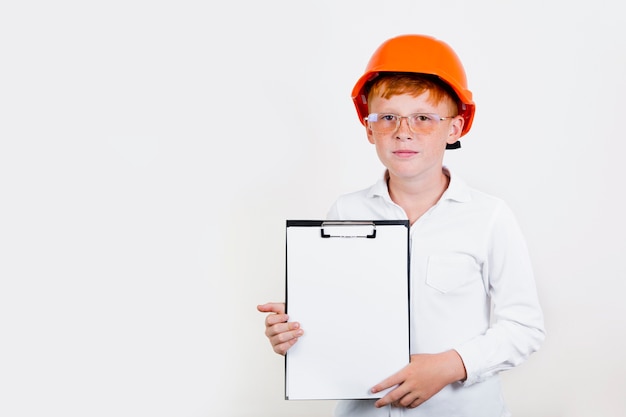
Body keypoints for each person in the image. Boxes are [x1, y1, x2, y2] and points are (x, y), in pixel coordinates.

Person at [257, 34, 545, 416]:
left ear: (455, 128)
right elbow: (341, 315)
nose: (403, 131)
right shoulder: (347, 211)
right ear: (369, 128)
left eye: (423, 118)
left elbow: (524, 327)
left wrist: (449, 365)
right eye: (388, 116)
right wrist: (299, 329)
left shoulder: (489, 216)